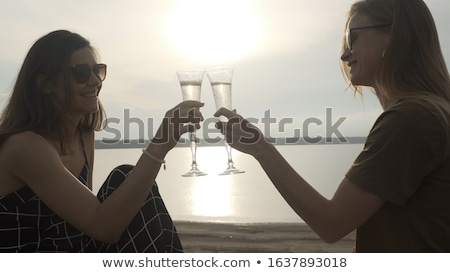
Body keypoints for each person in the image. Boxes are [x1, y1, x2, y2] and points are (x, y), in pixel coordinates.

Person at [215, 0, 450, 252]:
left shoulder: (410, 118)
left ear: (393, 36)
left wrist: (262, 149)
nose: (344, 54)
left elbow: (331, 223)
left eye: (353, 38)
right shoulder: (432, 112)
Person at [0, 30, 204, 252]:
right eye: (81, 73)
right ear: (45, 84)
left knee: (124, 178)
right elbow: (103, 226)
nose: (95, 81)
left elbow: (85, 225)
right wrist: (158, 147)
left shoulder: (84, 135)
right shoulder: (24, 147)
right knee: (127, 177)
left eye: (98, 71)